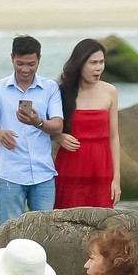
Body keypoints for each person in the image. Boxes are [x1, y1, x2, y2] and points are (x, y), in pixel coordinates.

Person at [0, 35, 65, 219]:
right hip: (11, 174)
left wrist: (37, 121)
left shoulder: (50, 88)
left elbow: (58, 126)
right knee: (10, 230)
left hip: (44, 173)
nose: (25, 69)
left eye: (31, 64)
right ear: (12, 58)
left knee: (44, 231)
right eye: (20, 63)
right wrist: (0, 133)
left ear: (39, 60)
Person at [52, 37, 122, 208]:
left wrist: (116, 178)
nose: (98, 68)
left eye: (101, 62)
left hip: (102, 169)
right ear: (80, 64)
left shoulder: (110, 91)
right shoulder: (61, 91)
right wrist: (59, 136)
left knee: (102, 227)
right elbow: (45, 129)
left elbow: (114, 136)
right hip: (70, 168)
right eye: (93, 63)